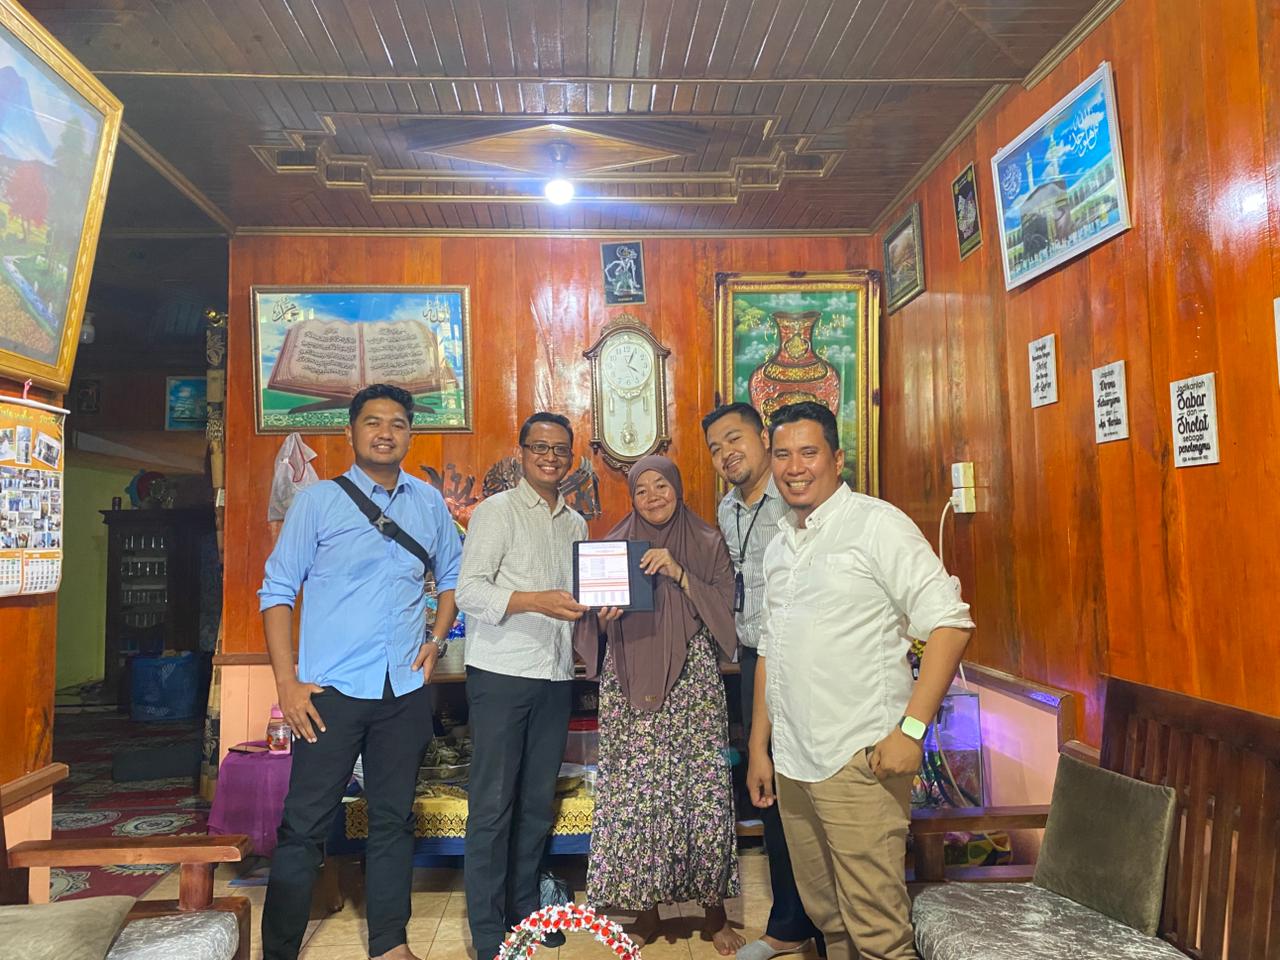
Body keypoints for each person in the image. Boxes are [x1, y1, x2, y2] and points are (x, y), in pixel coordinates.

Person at [747, 402, 974, 960]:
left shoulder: (876, 525)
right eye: (782, 454)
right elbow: (771, 650)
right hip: (794, 763)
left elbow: (950, 624)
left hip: (858, 758)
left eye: (808, 452)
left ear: (837, 458)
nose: (794, 467)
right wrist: (758, 747)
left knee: (878, 932)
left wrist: (911, 731)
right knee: (829, 919)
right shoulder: (780, 544)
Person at [258, 383, 463, 960]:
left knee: (394, 820)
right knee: (304, 827)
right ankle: (279, 951)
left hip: (403, 690)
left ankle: (390, 945)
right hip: (330, 693)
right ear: (351, 431)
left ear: (410, 435)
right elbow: (276, 591)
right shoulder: (317, 502)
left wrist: (437, 638)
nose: (385, 432)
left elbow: (452, 575)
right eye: (373, 421)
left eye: (397, 423)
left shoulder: (429, 503)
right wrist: (286, 683)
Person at [574, 454, 743, 955]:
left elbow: (728, 615)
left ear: (677, 487)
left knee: (702, 793)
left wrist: (679, 572)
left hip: (693, 683)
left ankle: (714, 913)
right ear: (632, 496)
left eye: (661, 486)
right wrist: (602, 618)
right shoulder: (612, 545)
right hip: (630, 677)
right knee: (638, 798)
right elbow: (590, 622)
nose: (652, 497)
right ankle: (644, 909)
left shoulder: (707, 541)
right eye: (642, 490)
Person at [455, 412, 589, 960]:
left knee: (536, 804)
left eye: (560, 450)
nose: (550, 458)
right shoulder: (496, 512)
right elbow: (468, 591)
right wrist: (535, 601)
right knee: (492, 806)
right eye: (540, 447)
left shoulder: (576, 524)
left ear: (570, 458)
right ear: (522, 452)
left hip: (556, 676)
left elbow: (578, 597)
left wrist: (600, 605)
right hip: (502, 674)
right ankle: (488, 931)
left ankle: (524, 910)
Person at [702, 402, 826, 960]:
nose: (726, 454)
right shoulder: (727, 508)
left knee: (818, 786)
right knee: (769, 788)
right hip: (757, 656)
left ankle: (834, 923)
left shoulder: (797, 495)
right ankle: (789, 923)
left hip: (810, 657)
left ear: (763, 438)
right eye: (715, 448)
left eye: (735, 439)